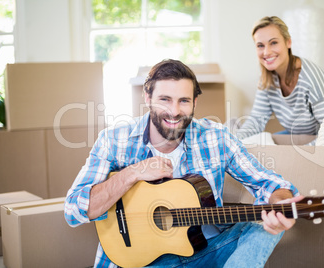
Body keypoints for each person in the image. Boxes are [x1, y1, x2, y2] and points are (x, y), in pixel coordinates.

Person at [64, 59, 301, 268]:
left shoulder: (217, 136)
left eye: (184, 101)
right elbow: (74, 210)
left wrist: (280, 203)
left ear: (195, 103)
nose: (175, 111)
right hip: (142, 262)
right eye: (165, 99)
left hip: (209, 252)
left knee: (265, 223)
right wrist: (132, 173)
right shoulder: (114, 139)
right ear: (148, 98)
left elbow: (267, 182)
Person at [236, 16, 324, 140]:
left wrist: (292, 155)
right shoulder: (267, 80)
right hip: (308, 138)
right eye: (260, 45)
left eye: (273, 43)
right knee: (265, 142)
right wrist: (233, 140)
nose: (267, 52)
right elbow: (256, 121)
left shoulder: (311, 79)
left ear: (288, 42)